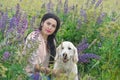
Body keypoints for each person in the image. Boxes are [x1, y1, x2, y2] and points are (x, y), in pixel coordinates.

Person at [22, 13, 61, 80]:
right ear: (42, 23)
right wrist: (52, 72)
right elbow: (35, 66)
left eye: (53, 26)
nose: (50, 28)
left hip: (44, 74)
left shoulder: (52, 40)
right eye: (48, 24)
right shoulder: (34, 37)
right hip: (30, 74)